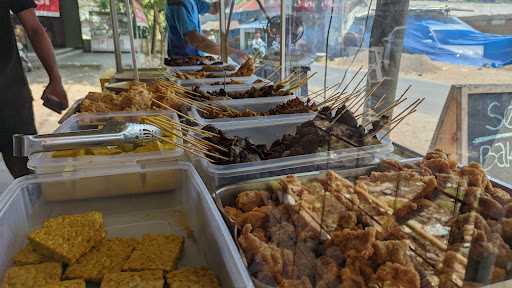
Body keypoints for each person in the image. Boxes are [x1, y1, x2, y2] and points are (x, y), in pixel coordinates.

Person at [1, 0, 68, 178]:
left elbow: (35, 30)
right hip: (9, 95)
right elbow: (34, 28)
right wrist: (55, 79)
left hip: (9, 96)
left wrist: (55, 79)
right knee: (26, 171)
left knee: (26, 167)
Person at [165, 0, 247, 62]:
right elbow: (197, 41)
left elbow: (214, 8)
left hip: (193, 61)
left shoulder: (191, 1)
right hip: (182, 63)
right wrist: (232, 52)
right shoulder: (179, 3)